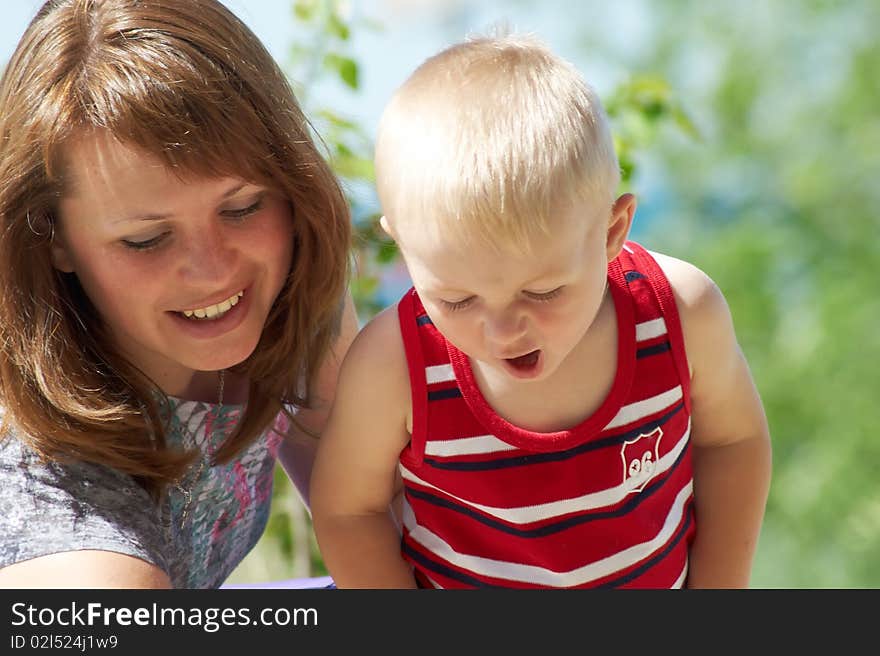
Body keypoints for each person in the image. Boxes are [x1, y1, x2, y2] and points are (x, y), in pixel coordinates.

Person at [309, 32, 772, 588]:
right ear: (403, 248)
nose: (502, 329)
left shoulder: (678, 315)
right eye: (457, 299)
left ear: (612, 233)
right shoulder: (395, 367)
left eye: (544, 291)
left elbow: (732, 441)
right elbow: (347, 510)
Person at [0, 0, 358, 588]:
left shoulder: (290, 287)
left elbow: (382, 534)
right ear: (52, 240)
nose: (213, 270)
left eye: (243, 207)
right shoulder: (71, 541)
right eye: (146, 239)